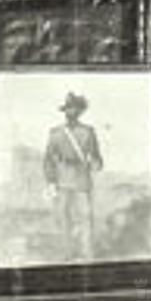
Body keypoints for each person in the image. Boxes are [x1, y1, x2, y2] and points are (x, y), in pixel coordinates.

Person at [43, 92, 104, 261]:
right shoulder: (55, 133)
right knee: (64, 219)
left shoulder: (88, 132)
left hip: (82, 181)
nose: (71, 112)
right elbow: (48, 160)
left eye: (74, 109)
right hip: (62, 182)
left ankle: (87, 254)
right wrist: (50, 181)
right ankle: (68, 253)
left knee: (85, 218)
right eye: (68, 109)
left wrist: (95, 163)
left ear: (80, 111)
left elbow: (97, 158)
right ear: (65, 112)